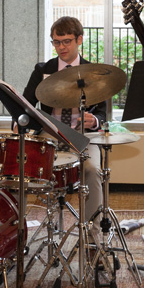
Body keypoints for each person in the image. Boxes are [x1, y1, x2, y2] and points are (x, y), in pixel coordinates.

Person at [21, 16, 107, 240]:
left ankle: (92, 237)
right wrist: (20, 121)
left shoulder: (93, 71)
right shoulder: (42, 70)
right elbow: (25, 105)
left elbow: (104, 114)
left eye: (66, 41)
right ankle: (15, 235)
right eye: (56, 42)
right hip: (50, 134)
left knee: (92, 170)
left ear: (80, 39)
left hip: (83, 136)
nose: (61, 47)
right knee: (15, 168)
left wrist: (94, 121)